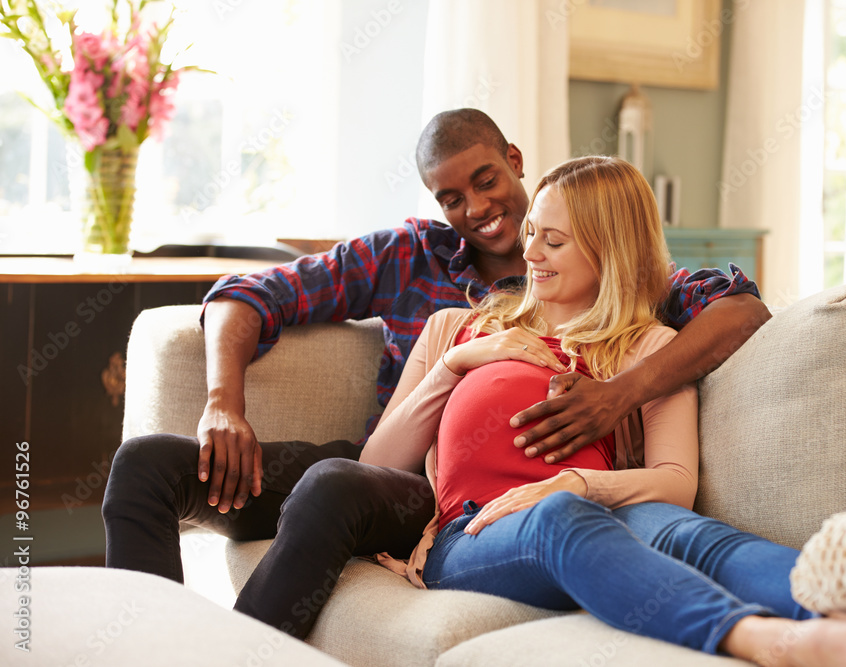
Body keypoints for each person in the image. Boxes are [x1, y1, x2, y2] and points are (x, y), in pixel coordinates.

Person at [102, 109, 768, 639]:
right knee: (144, 467)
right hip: (381, 463)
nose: (476, 207)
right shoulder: (409, 258)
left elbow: (738, 308)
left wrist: (616, 396)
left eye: (485, 181)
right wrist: (223, 402)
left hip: (442, 499)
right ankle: (155, 646)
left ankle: (240, 651)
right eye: (450, 197)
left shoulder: (604, 279)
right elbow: (248, 295)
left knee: (335, 484)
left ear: (515, 163)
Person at [358, 156, 846, 666]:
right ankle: (769, 640)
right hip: (469, 535)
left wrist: (576, 482)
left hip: (592, 511)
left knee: (694, 534)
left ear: (609, 250)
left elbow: (676, 484)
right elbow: (375, 464)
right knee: (560, 517)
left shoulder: (652, 348)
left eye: (554, 240)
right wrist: (457, 364)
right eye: (533, 232)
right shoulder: (455, 329)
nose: (529, 253)